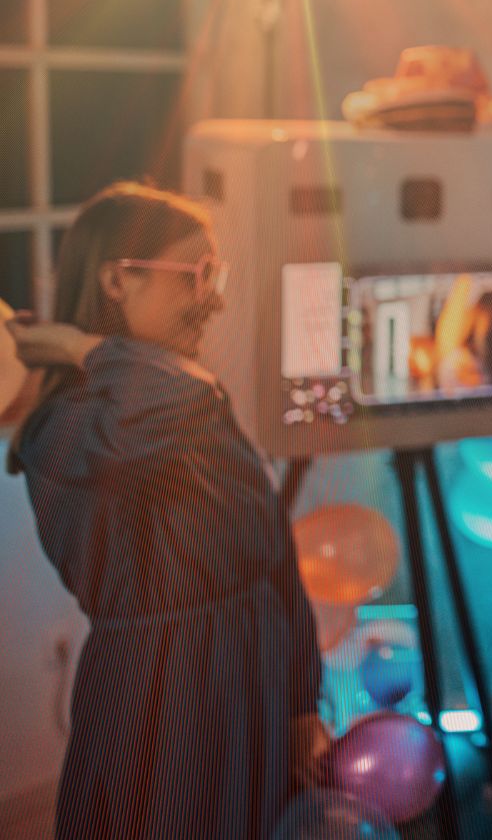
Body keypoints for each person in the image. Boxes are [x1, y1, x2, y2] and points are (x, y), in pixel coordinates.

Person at [5, 182, 327, 838]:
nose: (215, 299)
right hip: (167, 698)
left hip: (249, 677)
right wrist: (82, 349)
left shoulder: (184, 394)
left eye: (217, 273)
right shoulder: (67, 426)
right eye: (198, 275)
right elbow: (167, 402)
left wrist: (298, 702)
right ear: (119, 282)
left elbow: (271, 555)